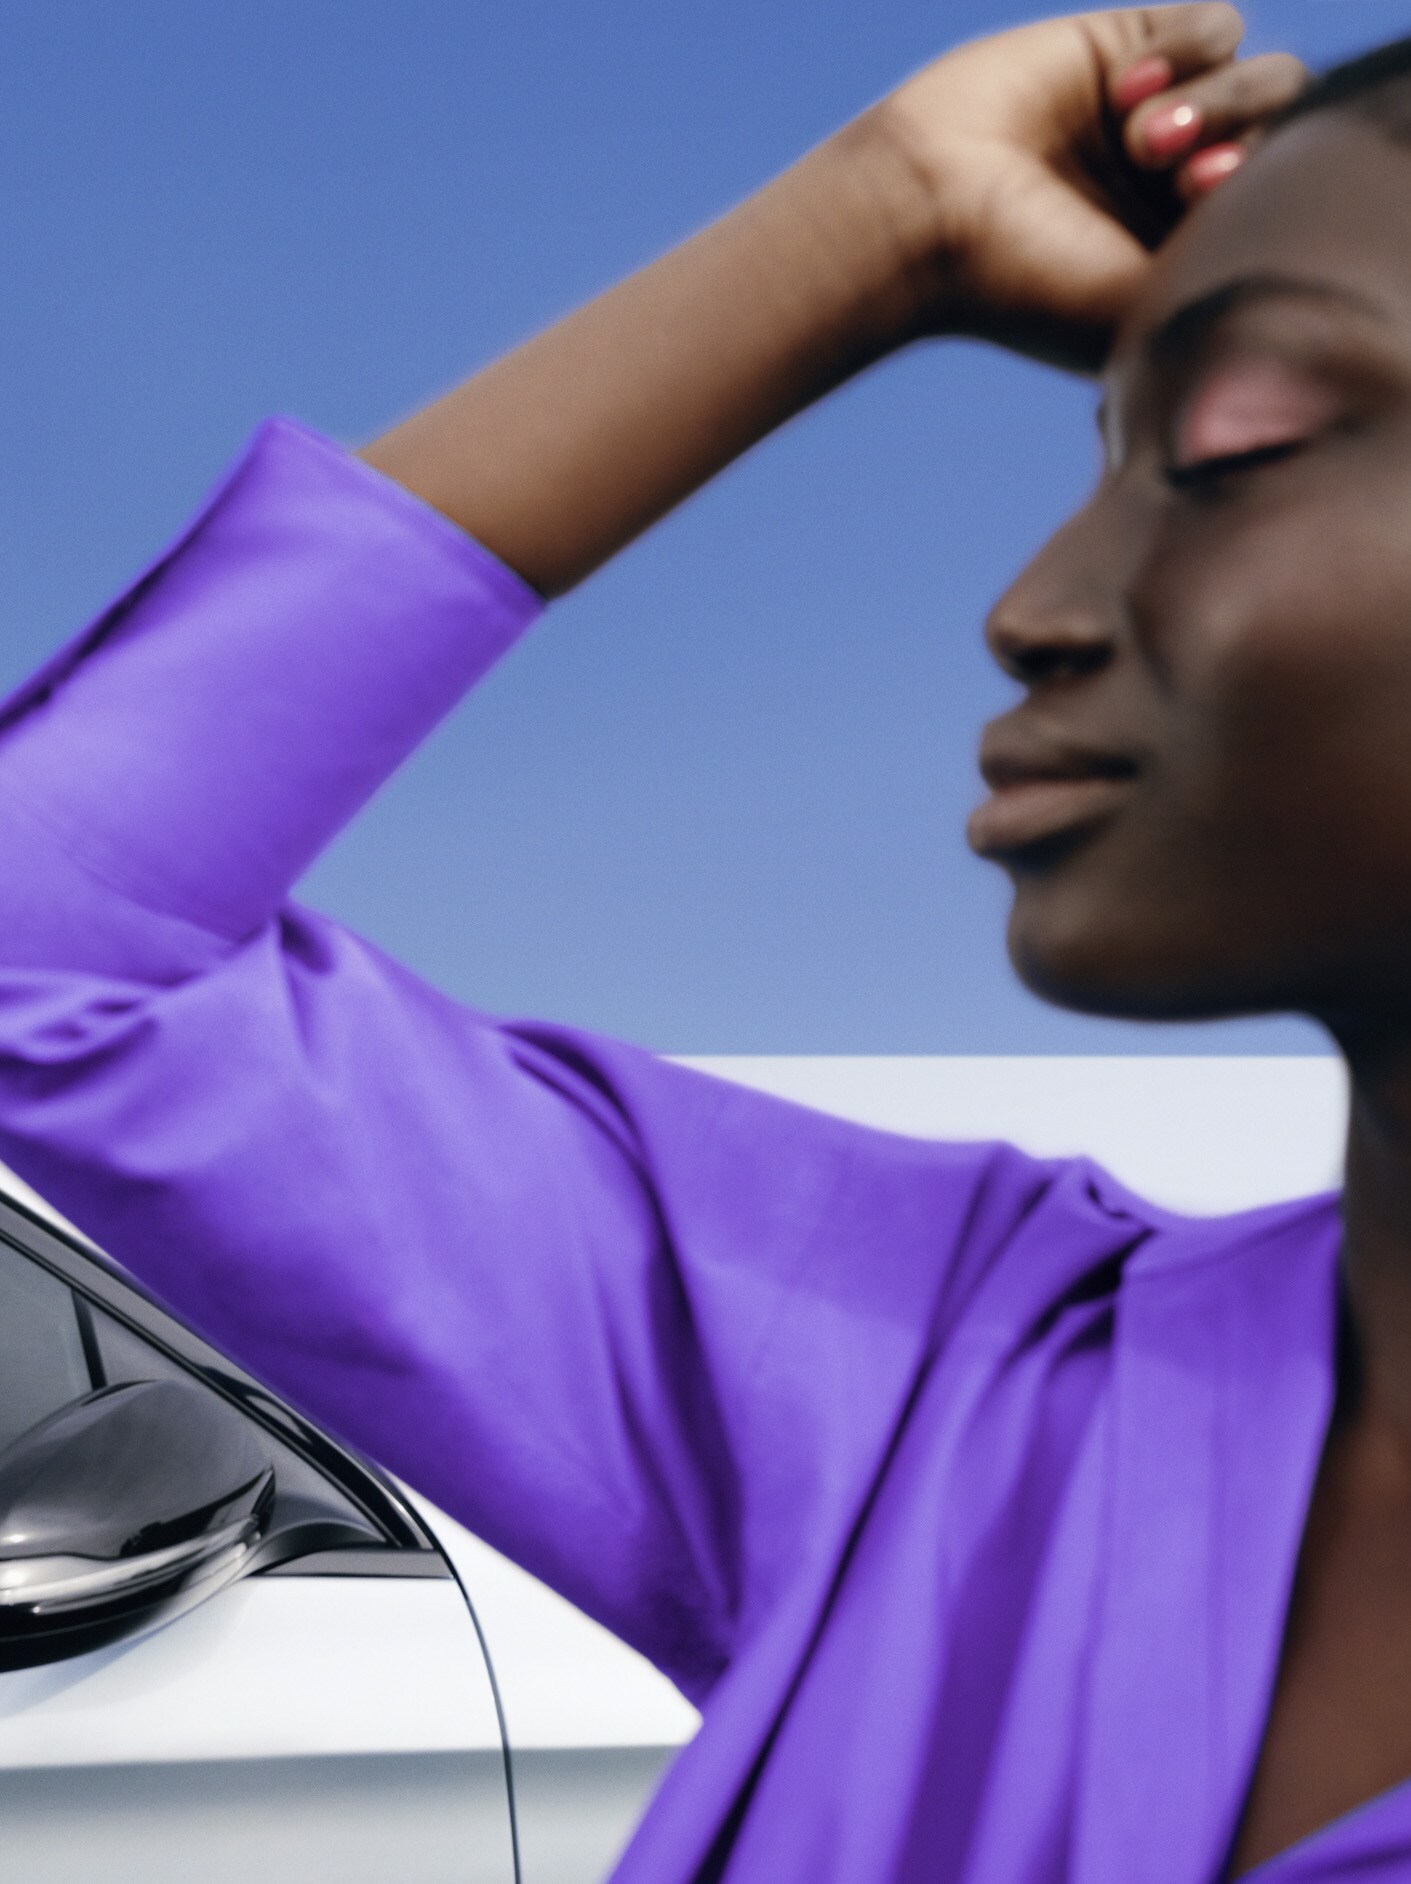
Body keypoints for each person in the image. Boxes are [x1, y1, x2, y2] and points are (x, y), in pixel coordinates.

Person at [8, 3, 1411, 1875]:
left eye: (1235, 444)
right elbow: (57, 939)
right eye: (1102, 455)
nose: (1035, 605)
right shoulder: (951, 1383)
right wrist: (877, 222)